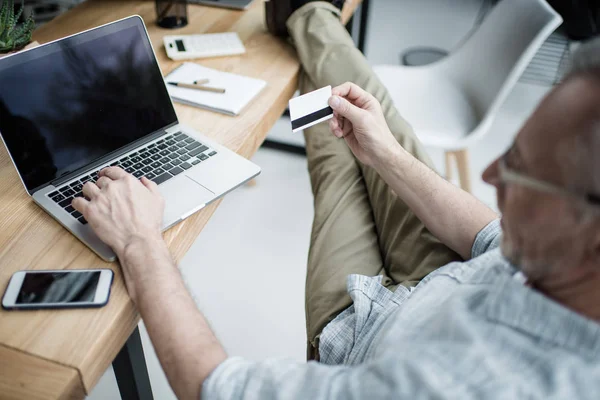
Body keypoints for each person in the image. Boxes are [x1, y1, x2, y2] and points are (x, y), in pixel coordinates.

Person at [72, 1, 600, 399]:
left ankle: (304, 11)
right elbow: (491, 239)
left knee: (334, 152)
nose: (489, 171)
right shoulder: (556, 258)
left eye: (520, 169)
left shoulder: (444, 386)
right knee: (369, 116)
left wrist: (141, 241)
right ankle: (308, 13)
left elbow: (216, 387)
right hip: (453, 273)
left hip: (363, 327)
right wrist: (387, 155)